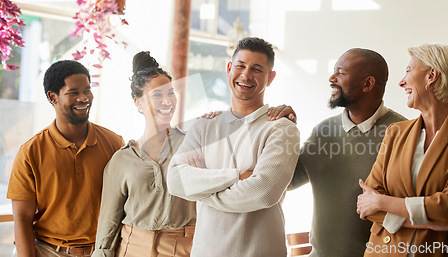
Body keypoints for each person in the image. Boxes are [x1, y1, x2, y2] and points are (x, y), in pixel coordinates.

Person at [167, 37, 300, 257]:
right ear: (229, 68)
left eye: (257, 69)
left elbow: (264, 193)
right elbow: (175, 180)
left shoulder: (282, 129)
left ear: (271, 78)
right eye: (240, 66)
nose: (246, 75)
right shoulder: (204, 125)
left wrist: (203, 193)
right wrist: (237, 176)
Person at [357, 44, 448, 257]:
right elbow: (366, 207)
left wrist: (383, 202)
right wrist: (435, 224)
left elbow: (446, 207)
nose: (402, 81)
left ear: (432, 75)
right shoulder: (396, 132)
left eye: (409, 71)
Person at [285, 48, 406, 257]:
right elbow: (285, 181)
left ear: (368, 84)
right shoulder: (323, 131)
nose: (332, 78)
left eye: (341, 72)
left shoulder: (404, 132)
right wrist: (280, 130)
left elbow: (419, 202)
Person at [7, 60, 124, 257]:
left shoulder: (114, 144)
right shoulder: (30, 152)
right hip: (49, 252)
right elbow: (22, 218)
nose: (84, 98)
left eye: (87, 90)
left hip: (103, 251)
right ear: (53, 97)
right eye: (74, 92)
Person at [92, 51, 197, 257]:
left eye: (170, 93)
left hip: (183, 248)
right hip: (131, 248)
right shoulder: (122, 159)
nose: (167, 101)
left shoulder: (193, 145)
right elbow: (109, 221)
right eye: (157, 95)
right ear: (138, 102)